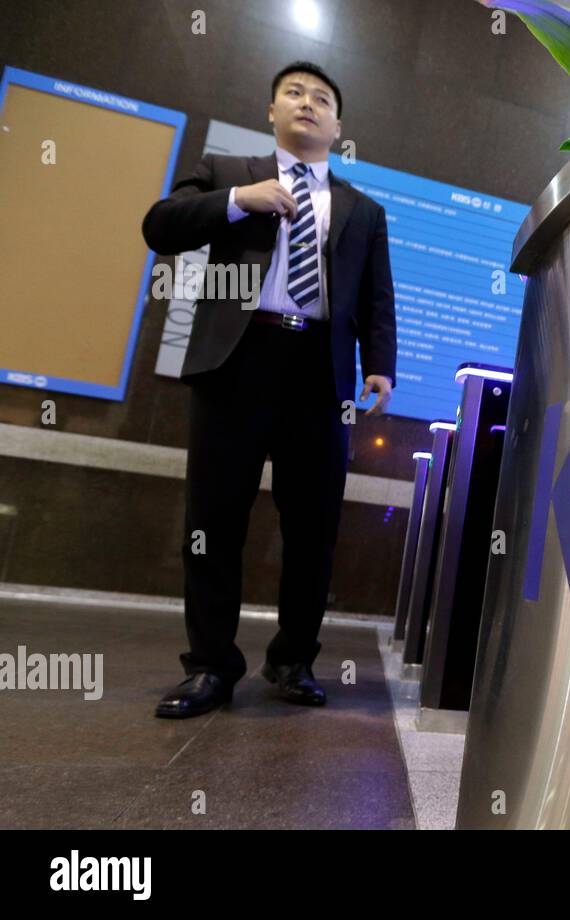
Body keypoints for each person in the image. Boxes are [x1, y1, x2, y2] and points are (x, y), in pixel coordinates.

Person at [142, 61, 396, 718]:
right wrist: (238, 202)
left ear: (338, 126)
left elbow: (377, 299)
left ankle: (292, 662)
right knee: (214, 519)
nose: (307, 103)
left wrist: (381, 365)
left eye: (322, 98)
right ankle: (210, 668)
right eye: (294, 93)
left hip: (321, 370)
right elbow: (160, 226)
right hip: (238, 358)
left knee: (314, 527)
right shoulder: (229, 171)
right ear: (271, 111)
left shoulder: (365, 211)